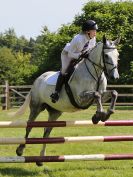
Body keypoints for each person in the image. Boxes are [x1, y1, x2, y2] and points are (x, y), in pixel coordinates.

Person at [50, 19, 98, 103]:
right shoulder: (77, 39)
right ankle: (56, 93)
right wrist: (80, 55)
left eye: (95, 30)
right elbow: (70, 54)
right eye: (93, 30)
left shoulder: (93, 38)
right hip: (68, 55)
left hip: (81, 54)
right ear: (87, 32)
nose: (95, 32)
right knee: (64, 71)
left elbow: (91, 50)